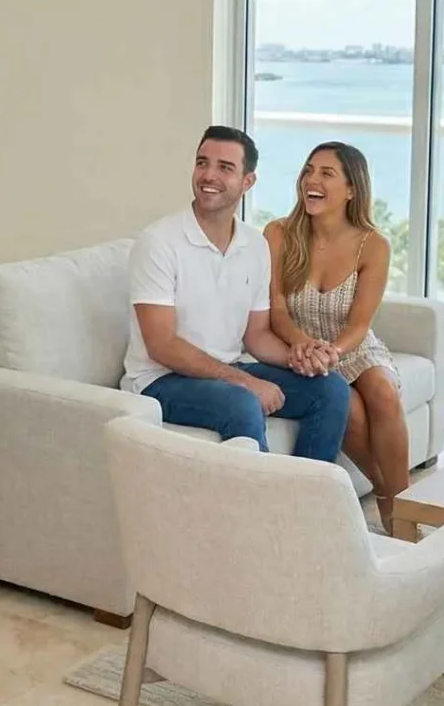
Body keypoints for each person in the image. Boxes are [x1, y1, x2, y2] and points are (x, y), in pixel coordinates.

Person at [122, 126, 351, 459]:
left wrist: (298, 357)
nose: (208, 175)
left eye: (225, 167)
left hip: (224, 369)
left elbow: (256, 335)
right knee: (242, 403)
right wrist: (243, 381)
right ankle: (259, 493)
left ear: (247, 182)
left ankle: (306, 490)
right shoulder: (158, 242)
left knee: (331, 389)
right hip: (159, 380)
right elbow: (162, 345)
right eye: (202, 163)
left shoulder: (254, 245)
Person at [264, 142, 408, 533]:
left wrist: (332, 351)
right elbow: (277, 309)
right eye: (309, 170)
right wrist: (302, 344)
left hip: (351, 346)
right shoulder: (278, 234)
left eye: (326, 173)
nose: (312, 179)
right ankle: (386, 495)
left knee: (383, 393)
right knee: (351, 409)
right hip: (298, 347)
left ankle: (406, 507)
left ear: (351, 189)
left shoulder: (373, 245)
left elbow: (360, 325)